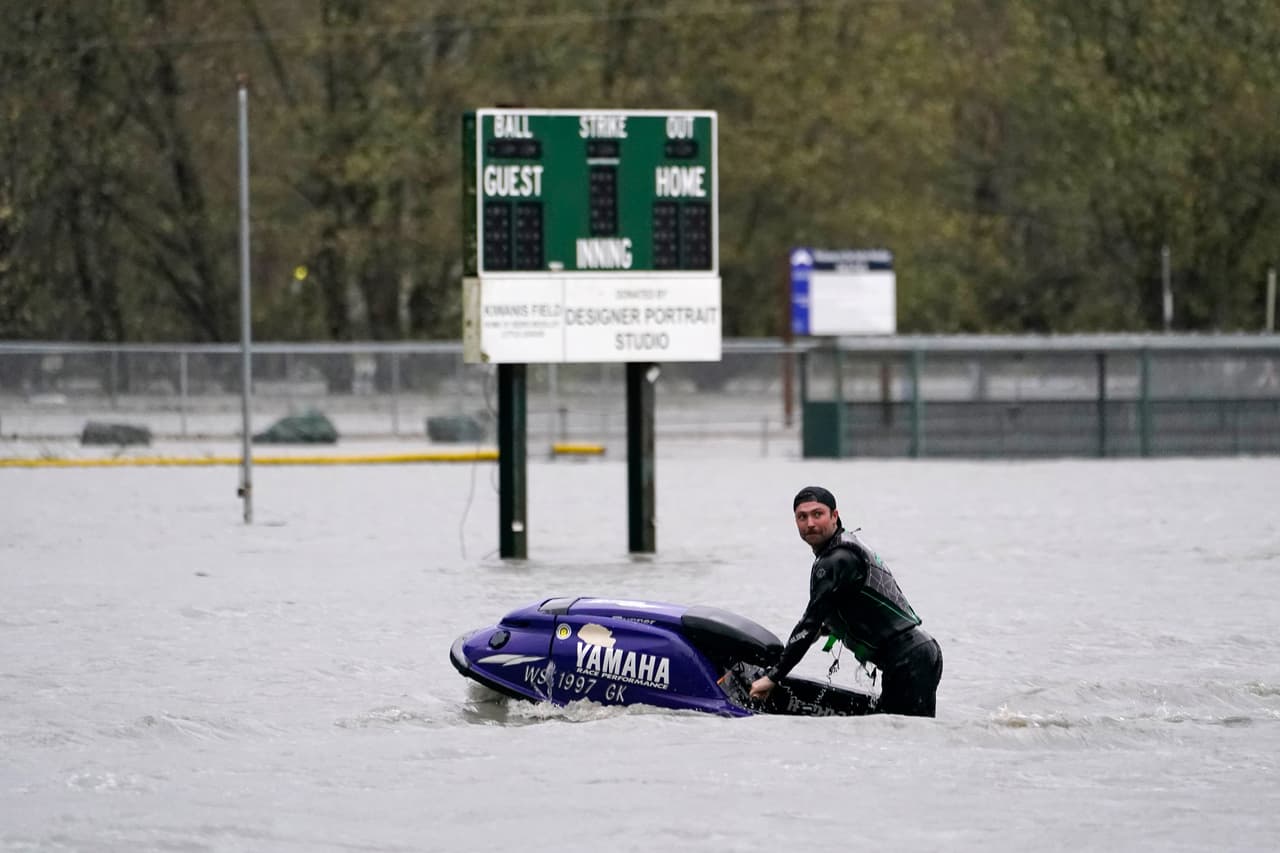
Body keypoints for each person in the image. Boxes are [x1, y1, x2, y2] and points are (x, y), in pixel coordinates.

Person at [749, 485, 943, 717]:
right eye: (802, 517)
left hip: (909, 661)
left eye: (817, 514)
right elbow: (821, 625)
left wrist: (773, 677)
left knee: (903, 739)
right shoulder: (844, 548)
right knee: (903, 732)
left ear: (834, 516)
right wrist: (781, 659)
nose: (810, 523)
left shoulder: (836, 560)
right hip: (917, 655)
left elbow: (809, 622)